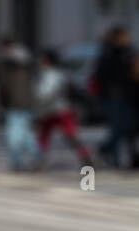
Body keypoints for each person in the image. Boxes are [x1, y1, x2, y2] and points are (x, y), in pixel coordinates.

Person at [34, 49, 94, 169]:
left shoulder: (52, 74)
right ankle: (85, 156)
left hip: (56, 110)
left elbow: (45, 93)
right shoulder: (58, 73)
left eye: (42, 58)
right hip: (59, 110)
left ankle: (86, 156)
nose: (39, 61)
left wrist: (34, 97)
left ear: (47, 60)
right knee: (64, 136)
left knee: (65, 136)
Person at [93, 25, 135, 168]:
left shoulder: (129, 52)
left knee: (129, 128)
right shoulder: (109, 54)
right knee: (119, 127)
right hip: (113, 97)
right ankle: (109, 153)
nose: (127, 39)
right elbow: (100, 76)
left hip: (129, 96)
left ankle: (129, 157)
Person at [0, 38, 40, 171]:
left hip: (15, 105)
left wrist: (1, 104)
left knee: (14, 137)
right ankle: (37, 158)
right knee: (27, 135)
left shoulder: (9, 67)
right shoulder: (29, 65)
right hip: (27, 103)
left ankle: (17, 163)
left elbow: (4, 88)